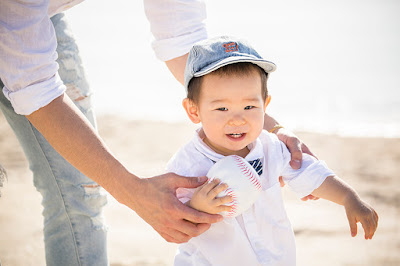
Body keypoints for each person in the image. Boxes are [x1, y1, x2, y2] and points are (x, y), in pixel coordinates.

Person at [0, 0, 314, 265]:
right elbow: (34, 87)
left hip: (43, 20)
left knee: (79, 192)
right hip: (15, 18)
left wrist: (270, 128)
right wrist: (131, 191)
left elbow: (184, 41)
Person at [166, 36, 379, 265]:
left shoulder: (270, 147)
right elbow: (173, 219)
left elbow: (310, 172)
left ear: (265, 105)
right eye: (222, 108)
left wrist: (348, 197)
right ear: (194, 110)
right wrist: (197, 206)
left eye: (250, 106)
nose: (237, 119)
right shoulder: (185, 165)